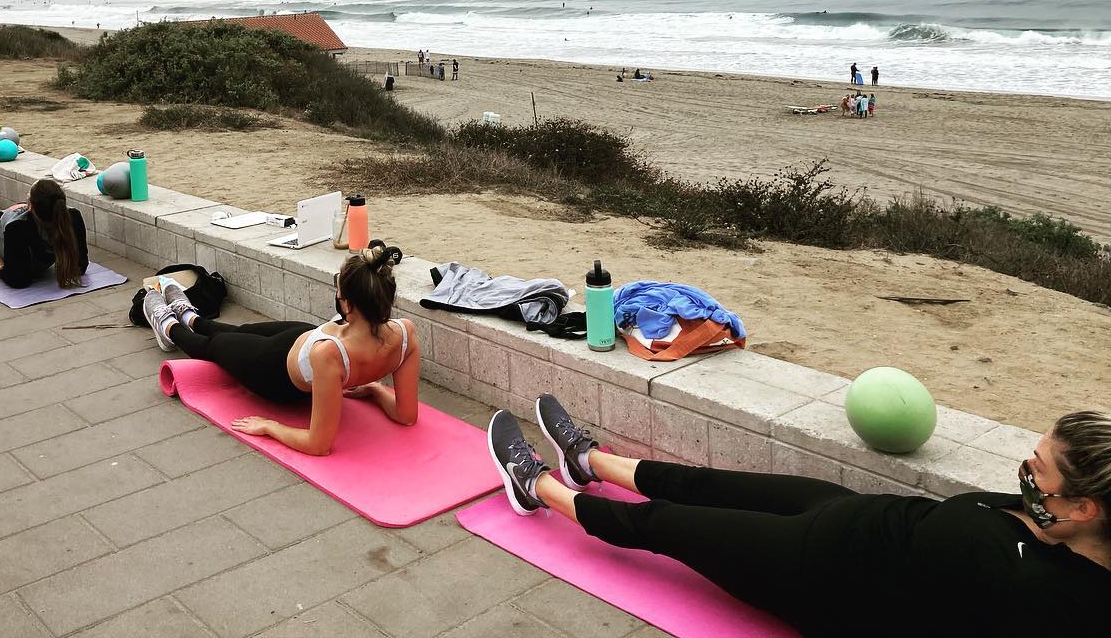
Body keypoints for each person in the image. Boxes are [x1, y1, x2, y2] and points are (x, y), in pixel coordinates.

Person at [488, 399, 1110, 634]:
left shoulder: (1054, 603)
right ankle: (588, 461)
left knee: (664, 524)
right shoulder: (1057, 521)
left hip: (814, 570)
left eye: (1038, 467)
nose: (1024, 470)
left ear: (1084, 507)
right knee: (706, 483)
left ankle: (535, 486)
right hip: (847, 511)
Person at [141, 242, 420, 456]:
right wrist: (375, 389)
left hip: (273, 370)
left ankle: (167, 326)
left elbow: (319, 444)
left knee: (214, 346)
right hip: (305, 337)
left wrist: (270, 426)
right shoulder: (405, 333)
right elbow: (406, 416)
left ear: (347, 303)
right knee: (240, 332)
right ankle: (191, 317)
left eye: (338, 291)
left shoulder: (330, 355)